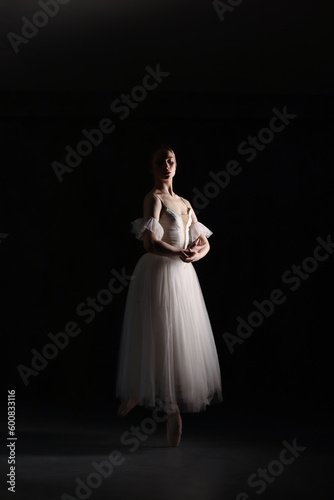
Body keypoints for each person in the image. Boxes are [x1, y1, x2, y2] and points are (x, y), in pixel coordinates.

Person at [116, 144, 222, 447]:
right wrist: (179, 252)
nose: (166, 164)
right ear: (152, 168)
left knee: (180, 339)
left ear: (176, 165)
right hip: (159, 272)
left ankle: (172, 407)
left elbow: (204, 243)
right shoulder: (154, 198)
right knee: (159, 336)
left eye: (171, 160)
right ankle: (153, 398)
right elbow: (150, 243)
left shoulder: (186, 202)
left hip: (183, 276)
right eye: (160, 161)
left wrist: (194, 256)